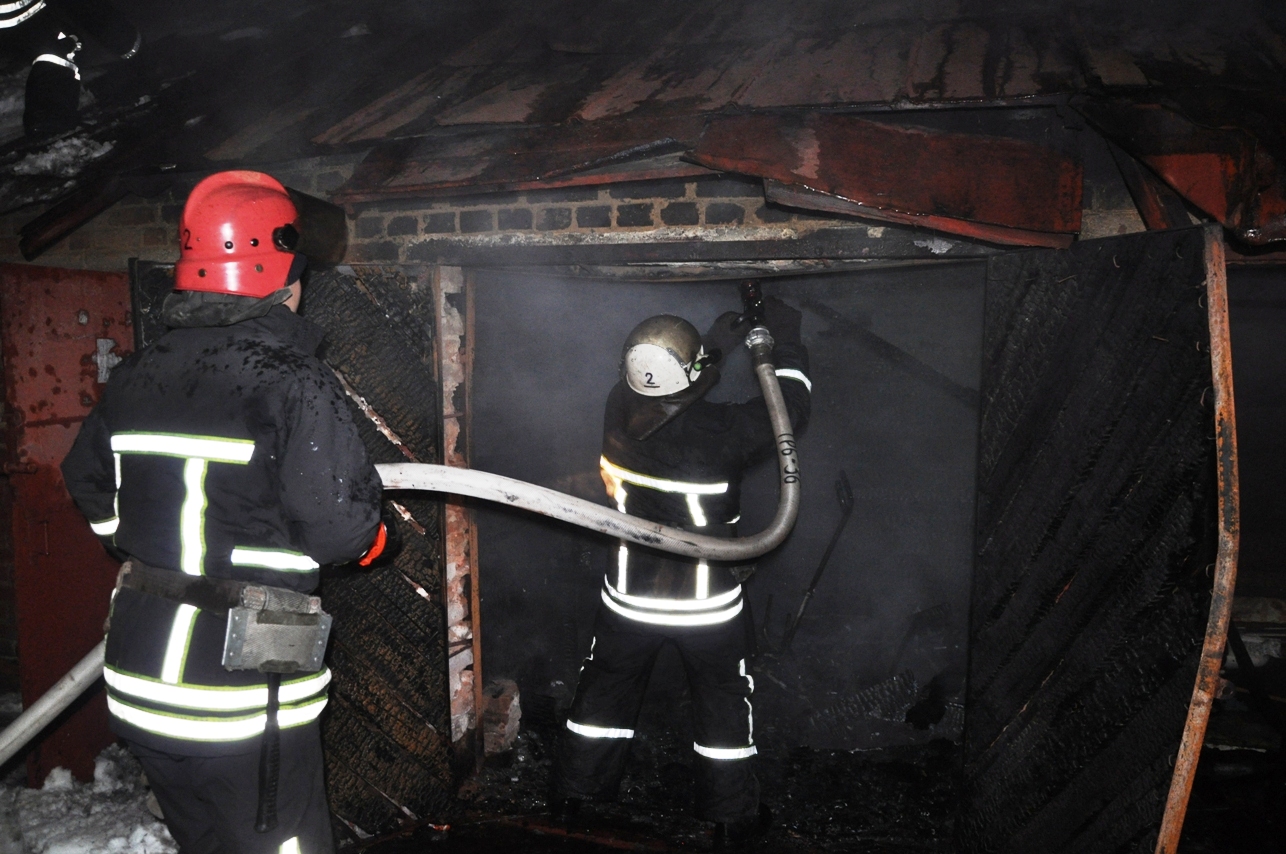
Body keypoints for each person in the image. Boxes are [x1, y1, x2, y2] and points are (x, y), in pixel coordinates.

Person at [62, 170, 395, 854]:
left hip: (140, 678)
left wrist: (140, 545)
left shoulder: (139, 371)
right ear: (284, 276)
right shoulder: (290, 378)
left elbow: (89, 482)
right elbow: (342, 531)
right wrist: (376, 542)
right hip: (241, 698)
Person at [553, 296, 811, 846]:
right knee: (721, 703)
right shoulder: (724, 431)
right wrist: (784, 338)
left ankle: (575, 797)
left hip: (628, 597)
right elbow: (790, 408)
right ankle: (729, 817)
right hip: (707, 605)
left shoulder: (615, 407)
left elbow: (662, 392)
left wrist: (714, 343)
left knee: (604, 693)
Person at [0, 0, 141, 138]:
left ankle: (46, 117)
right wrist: (129, 44)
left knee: (59, 45)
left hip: (15, 17)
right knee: (68, 44)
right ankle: (48, 118)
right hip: (17, 15)